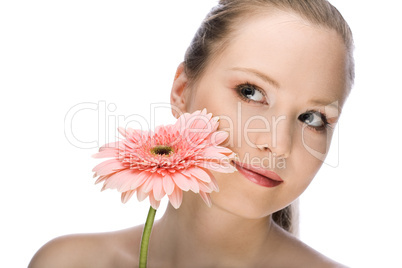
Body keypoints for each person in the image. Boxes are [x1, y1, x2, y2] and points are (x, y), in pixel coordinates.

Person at [29, 0, 354, 267]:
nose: (278, 144)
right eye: (251, 92)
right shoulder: (66, 262)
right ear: (182, 91)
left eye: (312, 118)